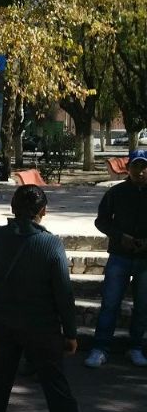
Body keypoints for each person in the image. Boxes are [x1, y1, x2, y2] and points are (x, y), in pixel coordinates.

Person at [0, 185, 81, 412]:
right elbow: (64, 293)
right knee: (56, 387)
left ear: (12, 208)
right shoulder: (51, 244)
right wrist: (70, 332)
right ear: (43, 210)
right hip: (43, 327)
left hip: (3, 323)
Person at [85, 149, 147, 368]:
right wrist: (121, 237)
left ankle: (136, 348)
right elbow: (101, 221)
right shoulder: (116, 193)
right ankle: (100, 348)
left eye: (144, 167)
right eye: (136, 166)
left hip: (144, 259)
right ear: (128, 168)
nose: (140, 171)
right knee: (110, 304)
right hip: (120, 256)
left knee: (143, 306)